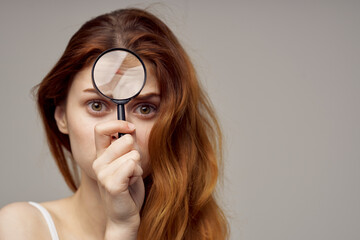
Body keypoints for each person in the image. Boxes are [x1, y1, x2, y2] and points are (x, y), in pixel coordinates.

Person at [0, 8, 228, 239]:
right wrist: (121, 227)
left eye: (145, 109)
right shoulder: (21, 228)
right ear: (61, 117)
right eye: (96, 106)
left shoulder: (199, 233)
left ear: (173, 124)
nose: (119, 131)